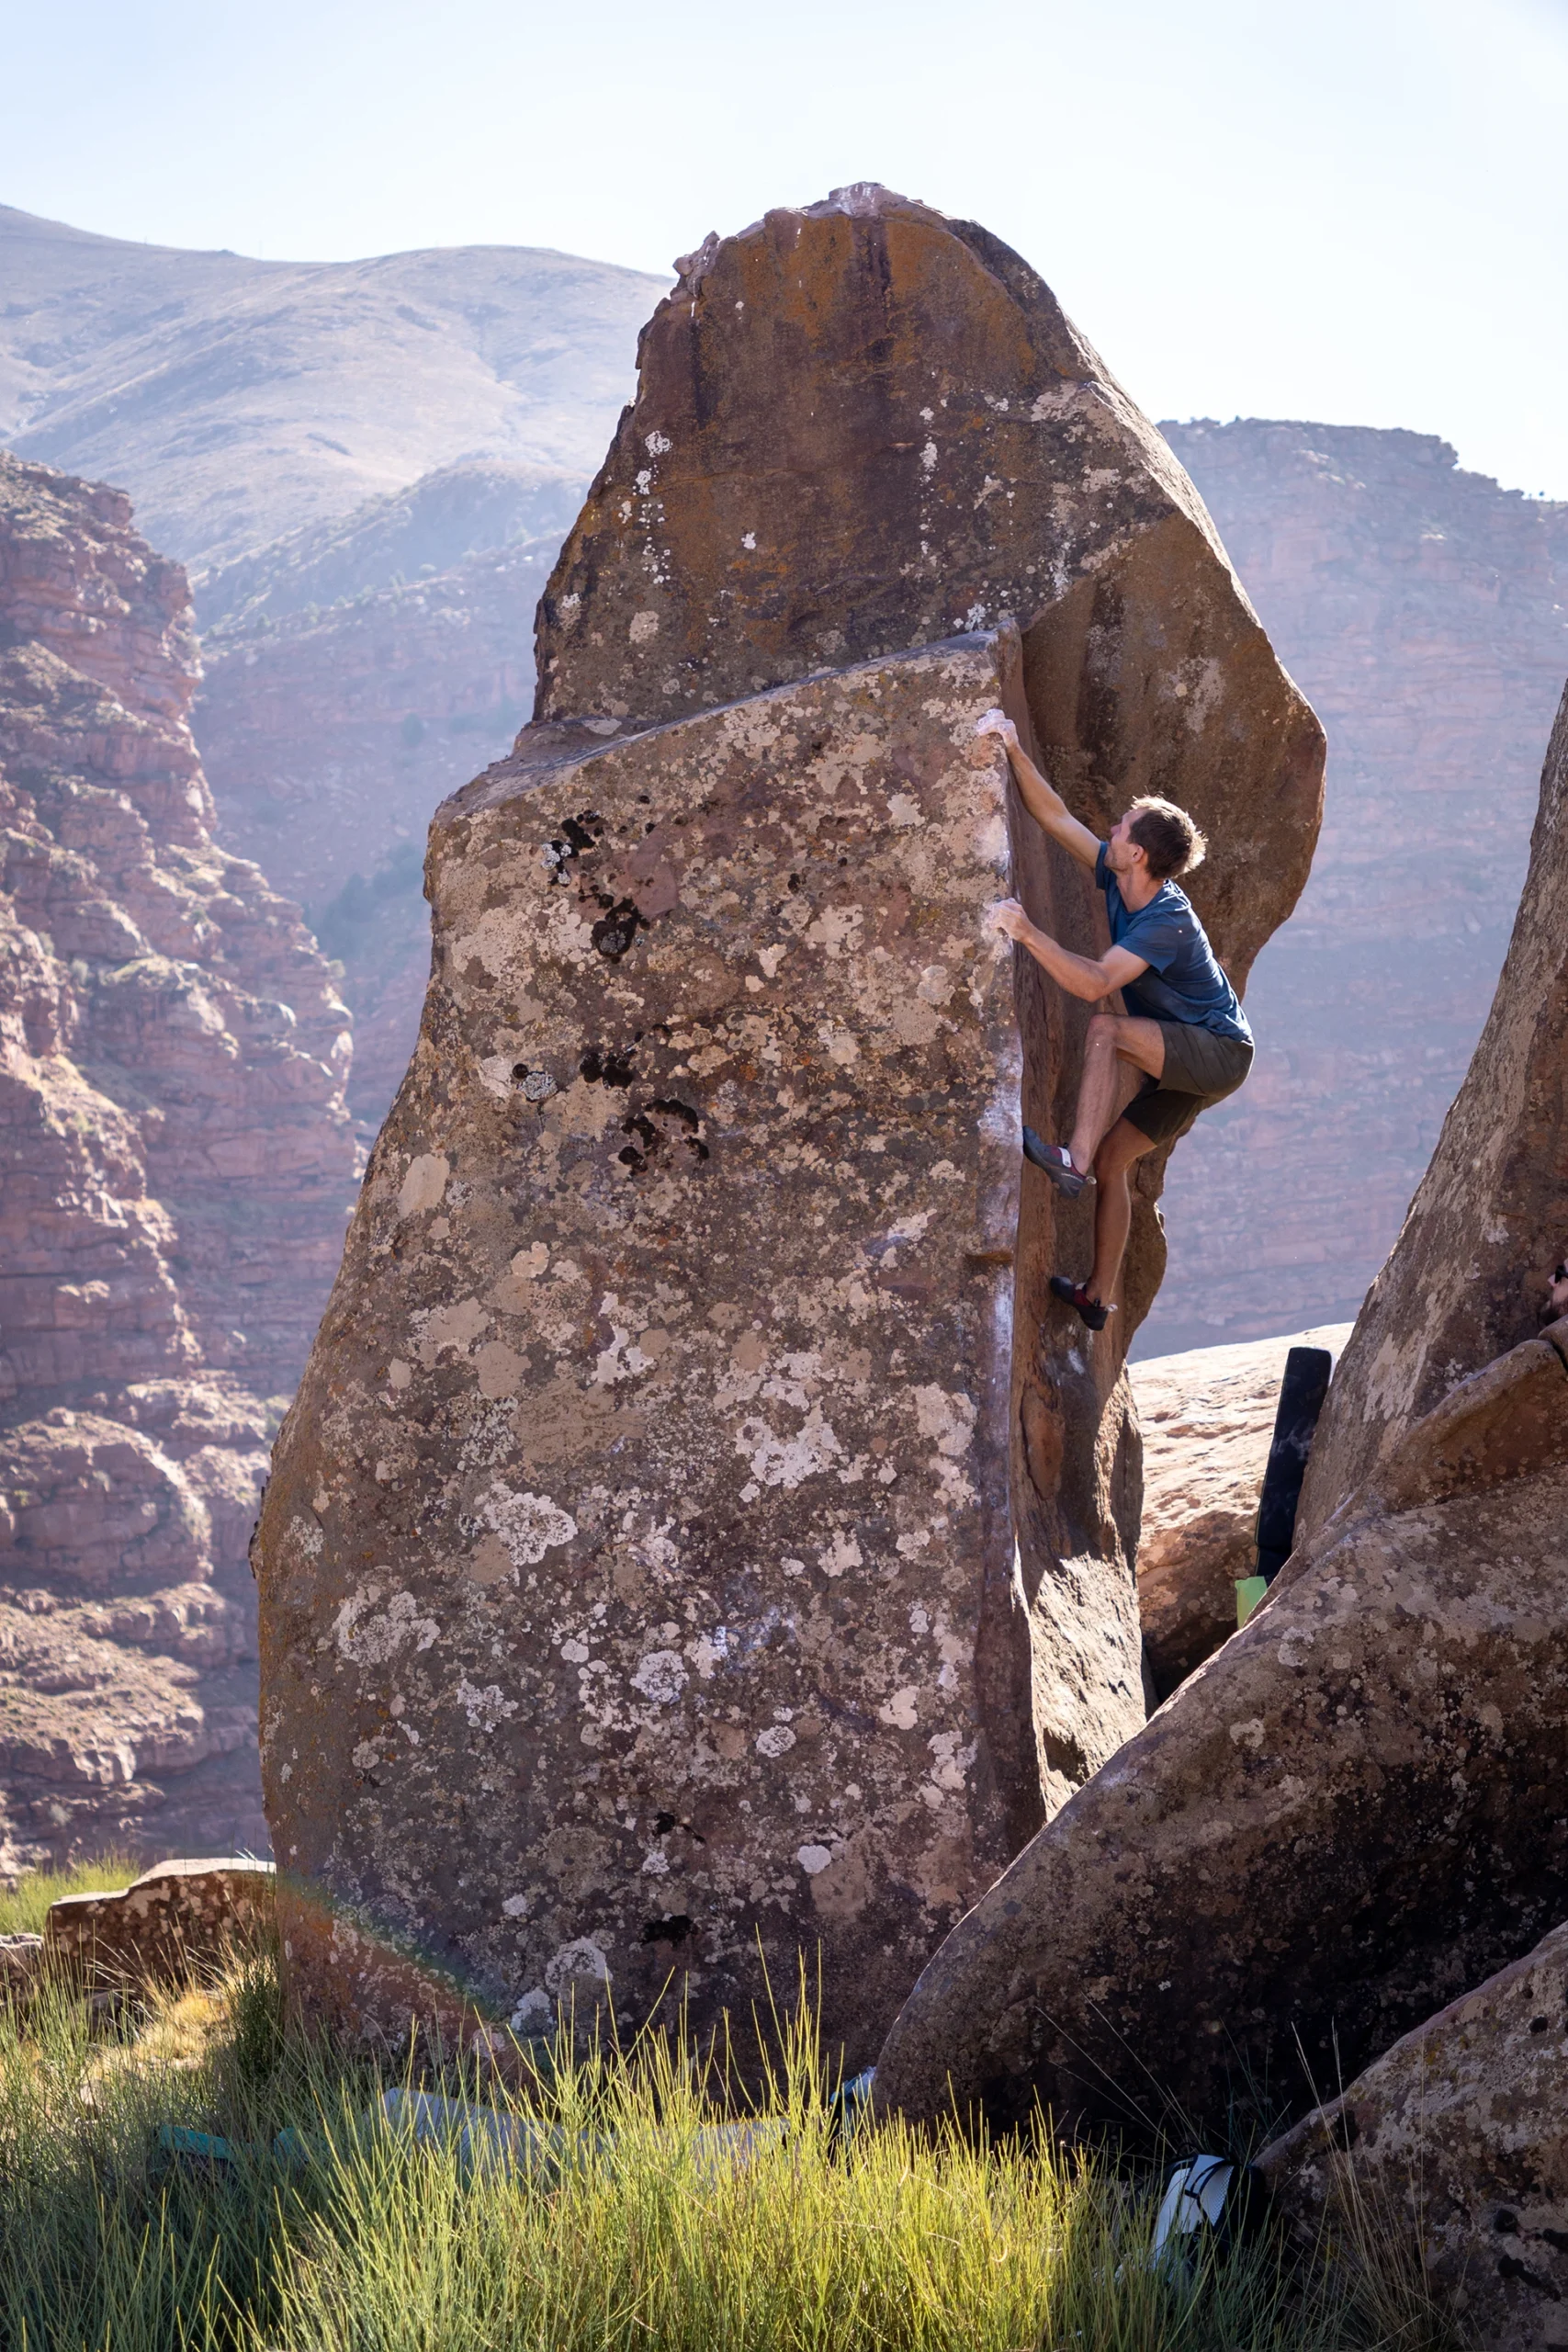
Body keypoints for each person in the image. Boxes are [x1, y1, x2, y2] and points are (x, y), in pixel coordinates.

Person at [976, 708, 1254, 1332]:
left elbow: (1097, 983)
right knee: (1115, 1165)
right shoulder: (1118, 872)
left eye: (1120, 826)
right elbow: (1055, 819)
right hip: (1197, 1061)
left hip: (1217, 1052)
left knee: (1104, 1029)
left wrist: (1024, 933)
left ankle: (1069, 1161)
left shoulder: (1164, 920)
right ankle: (1095, 1297)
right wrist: (1013, 748)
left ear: (1137, 853)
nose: (1109, 828)